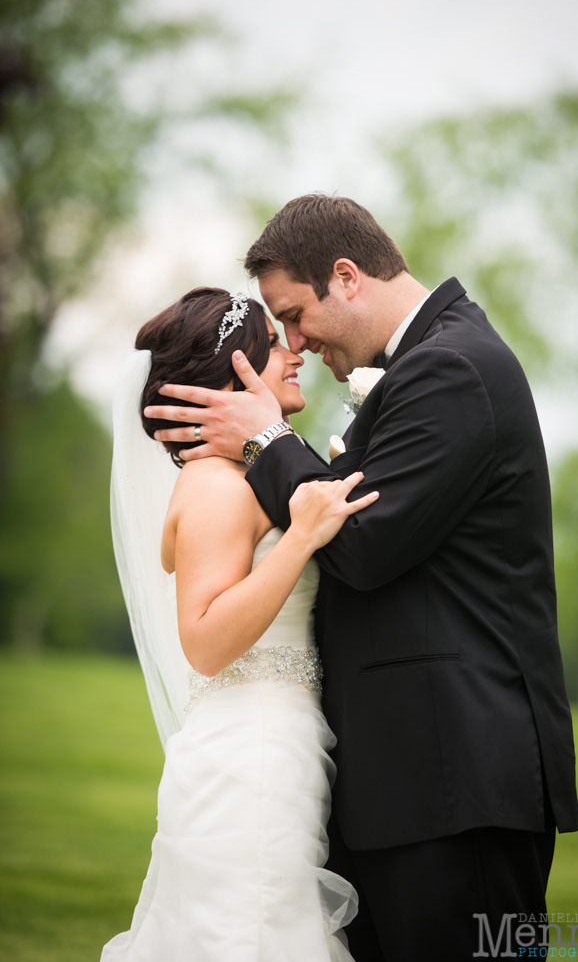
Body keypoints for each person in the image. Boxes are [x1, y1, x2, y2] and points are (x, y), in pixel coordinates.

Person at [145, 196, 578, 961]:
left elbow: (365, 543)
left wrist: (267, 441)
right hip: (395, 781)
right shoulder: (423, 365)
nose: (294, 343)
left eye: (294, 315)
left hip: (453, 782)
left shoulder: (451, 368)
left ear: (345, 277)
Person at [102, 286, 379, 961]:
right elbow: (203, 640)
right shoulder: (218, 488)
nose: (295, 353)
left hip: (272, 742)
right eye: (273, 344)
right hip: (250, 756)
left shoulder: (236, 477)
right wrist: (298, 540)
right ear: (238, 375)